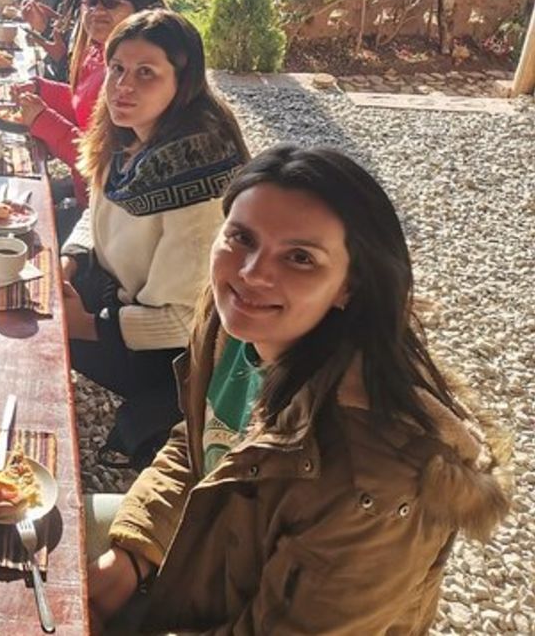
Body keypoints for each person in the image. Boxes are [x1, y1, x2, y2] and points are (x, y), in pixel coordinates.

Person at [86, 145, 513, 634]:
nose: (251, 274)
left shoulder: (378, 482)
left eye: (300, 258)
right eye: (241, 238)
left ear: (349, 286)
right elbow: (201, 445)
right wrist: (133, 553)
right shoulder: (238, 327)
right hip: (207, 561)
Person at [61, 9, 249, 468]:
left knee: (34, 333)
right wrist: (69, 259)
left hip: (170, 354)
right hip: (117, 292)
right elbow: (97, 207)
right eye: (117, 69)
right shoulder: (129, 136)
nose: (124, 86)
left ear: (181, 83)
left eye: (147, 73)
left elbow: (188, 321)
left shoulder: (197, 170)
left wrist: (81, 324)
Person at [16, 0, 166, 205]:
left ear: (142, 9)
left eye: (111, 2)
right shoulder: (99, 53)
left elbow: (104, 163)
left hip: (99, 208)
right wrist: (41, 89)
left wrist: (42, 120)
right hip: (83, 189)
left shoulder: (133, 80)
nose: (97, 10)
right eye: (92, 2)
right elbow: (84, 107)